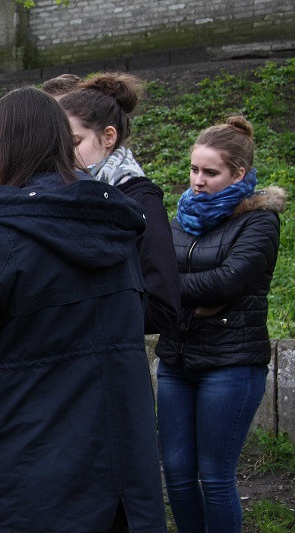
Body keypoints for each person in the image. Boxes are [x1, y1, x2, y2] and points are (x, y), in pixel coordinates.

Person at [0, 86, 166, 532]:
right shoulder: (114, 227)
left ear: (10, 147)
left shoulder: (3, 235)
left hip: (22, 463)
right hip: (108, 462)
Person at [155, 116, 286, 533]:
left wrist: (176, 291)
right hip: (177, 359)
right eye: (194, 169)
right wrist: (193, 302)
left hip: (231, 363)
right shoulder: (181, 218)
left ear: (238, 174)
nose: (197, 181)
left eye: (210, 172)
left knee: (214, 476)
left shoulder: (259, 222)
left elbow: (227, 281)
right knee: (175, 474)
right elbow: (154, 278)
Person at [59, 72, 180, 335]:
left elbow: (163, 306)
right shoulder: (65, 195)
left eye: (74, 142)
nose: (63, 156)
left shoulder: (140, 199)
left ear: (109, 137)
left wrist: (77, 313)